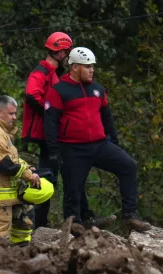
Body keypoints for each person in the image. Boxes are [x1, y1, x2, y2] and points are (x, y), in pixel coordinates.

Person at [44, 47, 151, 232]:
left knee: (128, 166)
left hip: (100, 145)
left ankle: (130, 216)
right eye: (87, 67)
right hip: (72, 148)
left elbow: (107, 118)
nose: (92, 70)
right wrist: (53, 151)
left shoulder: (97, 90)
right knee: (73, 188)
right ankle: (74, 223)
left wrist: (114, 144)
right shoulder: (59, 90)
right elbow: (50, 122)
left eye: (92, 66)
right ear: (75, 67)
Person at [0, 96, 45, 245]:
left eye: (15, 114)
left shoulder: (0, 131)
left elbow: (12, 158)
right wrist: (28, 175)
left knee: (24, 223)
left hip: (8, 193)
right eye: (11, 114)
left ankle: (19, 257)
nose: (14, 118)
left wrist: (27, 167)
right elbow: (5, 165)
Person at [23, 31, 73, 229]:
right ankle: (40, 225)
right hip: (44, 134)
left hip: (50, 134)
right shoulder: (41, 72)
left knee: (51, 177)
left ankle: (45, 224)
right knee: (46, 178)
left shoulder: (53, 75)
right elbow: (32, 95)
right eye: (66, 53)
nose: (67, 57)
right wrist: (51, 113)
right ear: (60, 53)